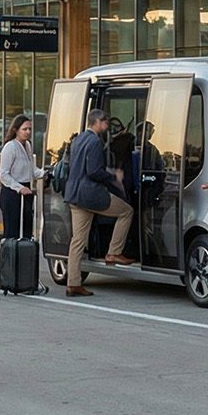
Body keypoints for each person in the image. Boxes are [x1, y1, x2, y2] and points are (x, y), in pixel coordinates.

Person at [63, 109, 134, 297]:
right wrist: (113, 176)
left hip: (75, 195)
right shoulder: (95, 141)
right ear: (98, 122)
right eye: (106, 122)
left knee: (77, 241)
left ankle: (73, 283)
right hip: (91, 195)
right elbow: (93, 170)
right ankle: (113, 252)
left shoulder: (78, 139)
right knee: (126, 211)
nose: (107, 126)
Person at [0, 114, 42, 242]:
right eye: (24, 129)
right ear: (16, 130)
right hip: (11, 192)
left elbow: (32, 169)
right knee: (12, 232)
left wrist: (44, 173)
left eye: (29, 129)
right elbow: (4, 174)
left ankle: (24, 257)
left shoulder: (27, 145)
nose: (28, 132)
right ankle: (10, 258)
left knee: (27, 228)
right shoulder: (10, 147)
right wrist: (19, 187)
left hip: (26, 190)